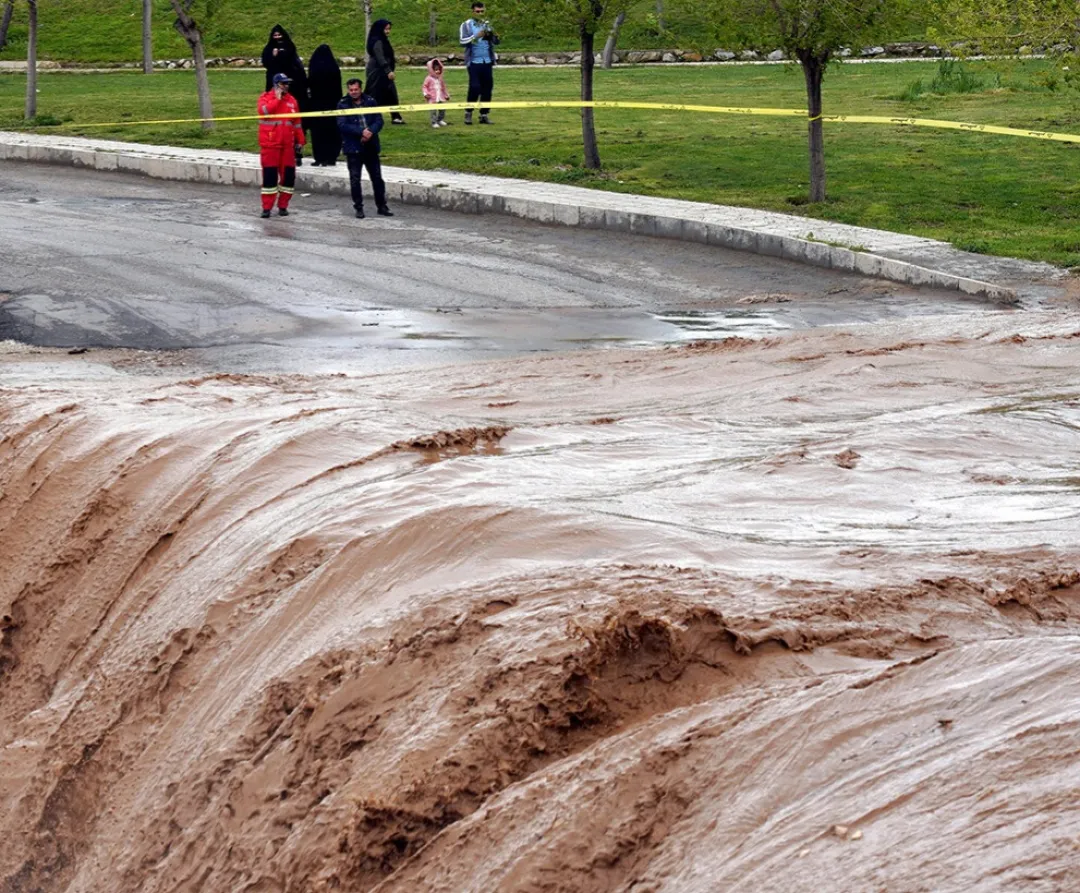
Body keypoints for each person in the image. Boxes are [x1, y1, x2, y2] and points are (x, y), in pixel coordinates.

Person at [337, 78, 394, 219]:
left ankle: (382, 206)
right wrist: (360, 132)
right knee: (355, 179)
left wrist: (370, 131)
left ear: (360, 89)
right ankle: (358, 207)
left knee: (377, 178)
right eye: (351, 90)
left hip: (371, 146)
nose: (353, 92)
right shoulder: (343, 104)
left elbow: (378, 120)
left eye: (356, 89)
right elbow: (342, 124)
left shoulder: (370, 101)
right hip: (353, 148)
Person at [257, 73, 305, 218]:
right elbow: (263, 111)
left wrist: (300, 140)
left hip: (287, 146)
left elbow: (296, 123)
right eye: (283, 84)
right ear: (276, 84)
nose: (286, 86)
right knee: (270, 178)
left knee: (288, 177)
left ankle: (283, 206)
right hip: (270, 145)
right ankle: (267, 208)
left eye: (287, 83)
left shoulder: (292, 101)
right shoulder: (265, 97)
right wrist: (277, 99)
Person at [261, 25, 309, 163]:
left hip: (294, 95)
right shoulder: (269, 50)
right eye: (275, 36)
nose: (277, 38)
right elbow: (266, 62)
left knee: (295, 125)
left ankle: (297, 153)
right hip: (276, 99)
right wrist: (274, 56)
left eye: (279, 35)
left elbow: (293, 64)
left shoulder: (291, 53)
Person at [459, 1, 499, 125]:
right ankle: (468, 112)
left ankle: (484, 114)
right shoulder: (466, 25)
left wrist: (494, 36)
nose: (480, 13)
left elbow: (496, 42)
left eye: (482, 11)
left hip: (487, 61)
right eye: (478, 11)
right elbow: (462, 41)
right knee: (475, 87)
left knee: (487, 88)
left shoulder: (488, 24)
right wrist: (476, 36)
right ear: (472, 12)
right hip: (474, 62)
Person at [306, 44, 343, 166]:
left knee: (318, 133)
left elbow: (310, 85)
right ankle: (331, 157)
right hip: (332, 105)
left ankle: (319, 157)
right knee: (332, 131)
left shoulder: (314, 68)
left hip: (316, 105)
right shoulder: (334, 68)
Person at [366, 19, 404, 125]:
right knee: (374, 94)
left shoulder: (383, 40)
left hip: (384, 71)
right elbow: (380, 57)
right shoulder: (377, 40)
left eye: (389, 29)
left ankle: (395, 116)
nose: (388, 31)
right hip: (377, 71)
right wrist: (388, 70)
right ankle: (369, 117)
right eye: (386, 29)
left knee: (391, 93)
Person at [423, 58, 451, 128]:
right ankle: (434, 122)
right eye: (435, 70)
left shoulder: (440, 79)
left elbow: (443, 88)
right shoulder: (428, 78)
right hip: (432, 98)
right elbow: (424, 87)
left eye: (439, 69)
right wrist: (426, 94)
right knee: (433, 111)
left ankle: (440, 120)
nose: (437, 71)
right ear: (431, 70)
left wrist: (446, 95)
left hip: (440, 97)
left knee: (442, 109)